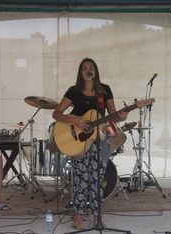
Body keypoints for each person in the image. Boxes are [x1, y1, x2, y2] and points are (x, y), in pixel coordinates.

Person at [52, 58, 128, 230]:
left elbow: (113, 114)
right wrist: (75, 120)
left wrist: (122, 116)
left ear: (95, 72)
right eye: (85, 68)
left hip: (100, 140)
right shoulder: (74, 91)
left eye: (91, 67)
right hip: (79, 141)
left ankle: (96, 217)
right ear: (80, 72)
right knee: (81, 179)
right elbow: (57, 114)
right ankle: (77, 216)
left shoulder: (104, 90)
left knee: (96, 180)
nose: (88, 70)